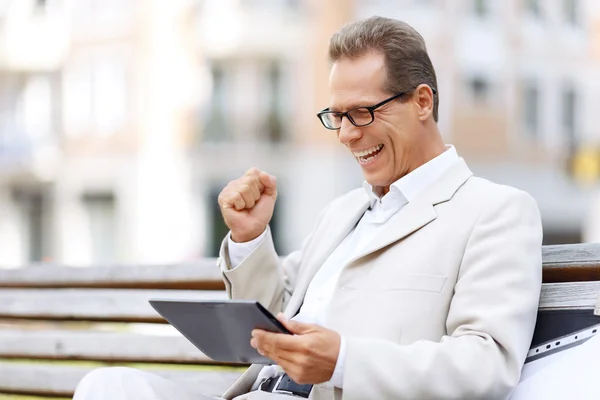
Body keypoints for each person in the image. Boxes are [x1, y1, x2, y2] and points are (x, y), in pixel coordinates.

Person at [73, 16, 543, 400]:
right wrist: (249, 239)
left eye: (362, 112)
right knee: (108, 385)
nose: (346, 134)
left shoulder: (495, 211)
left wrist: (343, 362)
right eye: (337, 116)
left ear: (422, 101)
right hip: (259, 394)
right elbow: (273, 324)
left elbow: (487, 363)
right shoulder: (340, 214)